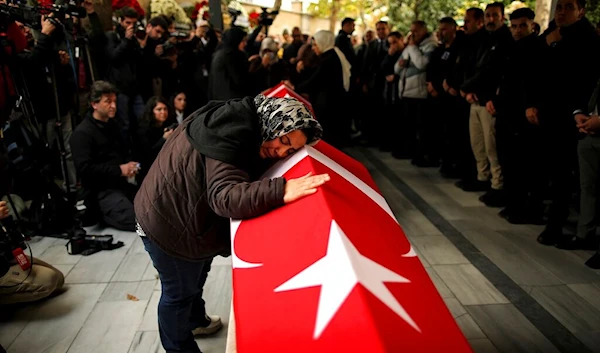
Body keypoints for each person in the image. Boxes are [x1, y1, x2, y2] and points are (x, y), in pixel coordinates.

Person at [134, 94, 328, 353]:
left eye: (289, 150)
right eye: (283, 140)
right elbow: (224, 197)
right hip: (166, 224)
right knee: (178, 293)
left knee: (197, 274)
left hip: (180, 213)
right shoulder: (231, 131)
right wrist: (281, 189)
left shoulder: (243, 117)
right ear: (273, 121)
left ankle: (194, 320)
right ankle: (179, 348)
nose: (280, 152)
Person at [70, 81, 139, 231]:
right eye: (108, 102)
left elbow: (122, 152)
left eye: (114, 101)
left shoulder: (113, 125)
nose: (113, 106)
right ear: (94, 104)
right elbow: (85, 170)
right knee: (138, 220)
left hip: (121, 184)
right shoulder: (82, 133)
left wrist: (129, 166)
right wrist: (119, 170)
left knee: (153, 208)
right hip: (100, 192)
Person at [285, 30, 352, 148]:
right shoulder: (329, 55)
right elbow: (315, 74)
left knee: (329, 139)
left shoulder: (329, 59)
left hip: (329, 105)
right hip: (329, 102)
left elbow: (315, 80)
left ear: (323, 43)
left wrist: (295, 88)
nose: (313, 48)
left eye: (315, 45)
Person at [0, 201, 65, 305]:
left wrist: (5, 221)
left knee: (58, 279)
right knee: (48, 281)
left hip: (5, 257)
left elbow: (14, 240)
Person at [135, 97, 177, 181]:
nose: (163, 112)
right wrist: (164, 138)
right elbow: (147, 154)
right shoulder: (143, 129)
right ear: (151, 111)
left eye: (165, 109)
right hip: (148, 170)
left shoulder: (167, 125)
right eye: (159, 109)